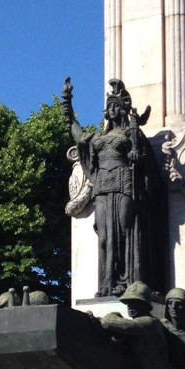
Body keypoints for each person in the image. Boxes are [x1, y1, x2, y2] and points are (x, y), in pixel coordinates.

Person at [62, 77, 160, 297]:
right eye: (109, 106)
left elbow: (143, 159)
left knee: (126, 229)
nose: (112, 109)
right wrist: (67, 103)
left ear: (123, 109)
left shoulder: (130, 134)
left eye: (116, 105)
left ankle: (129, 282)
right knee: (105, 235)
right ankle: (107, 282)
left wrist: (137, 155)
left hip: (124, 181)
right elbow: (76, 132)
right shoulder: (97, 137)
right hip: (102, 185)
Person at [99, 281, 184, 369]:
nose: (129, 306)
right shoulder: (139, 325)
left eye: (134, 302)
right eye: (127, 303)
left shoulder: (149, 323)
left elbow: (108, 322)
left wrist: (113, 314)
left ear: (145, 305)